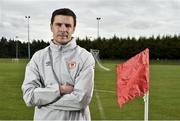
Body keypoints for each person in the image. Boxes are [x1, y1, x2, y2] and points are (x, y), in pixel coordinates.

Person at [21, 8, 95, 120]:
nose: (63, 29)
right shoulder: (38, 57)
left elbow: (81, 100)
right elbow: (29, 96)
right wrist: (60, 90)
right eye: (59, 24)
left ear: (74, 28)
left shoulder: (85, 57)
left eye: (68, 25)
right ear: (51, 27)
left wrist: (43, 102)